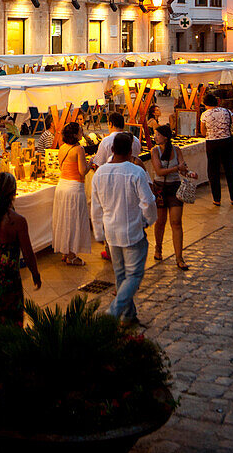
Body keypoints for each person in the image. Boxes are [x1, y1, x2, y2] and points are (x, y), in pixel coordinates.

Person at [91, 131, 157, 326]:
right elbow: (148, 202)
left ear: (112, 150)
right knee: (134, 275)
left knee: (121, 275)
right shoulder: (135, 172)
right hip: (132, 231)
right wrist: (148, 221)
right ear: (130, 152)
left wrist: (100, 233)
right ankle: (114, 311)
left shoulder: (100, 173)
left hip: (111, 232)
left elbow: (95, 207)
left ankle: (128, 315)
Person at [0, 172, 40, 326]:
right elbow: (28, 253)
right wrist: (35, 273)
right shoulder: (17, 221)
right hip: (8, 276)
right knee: (11, 319)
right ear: (13, 192)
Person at [150, 124, 192, 269]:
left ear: (165, 137)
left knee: (176, 222)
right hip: (160, 188)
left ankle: (179, 257)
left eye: (157, 134)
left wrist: (188, 173)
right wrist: (177, 168)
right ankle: (158, 248)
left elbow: (183, 168)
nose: (155, 137)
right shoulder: (154, 151)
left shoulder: (177, 150)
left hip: (174, 187)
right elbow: (159, 171)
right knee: (160, 221)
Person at [51, 121, 91, 266]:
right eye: (81, 131)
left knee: (64, 220)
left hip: (62, 186)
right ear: (75, 135)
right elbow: (82, 171)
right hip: (74, 187)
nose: (82, 132)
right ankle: (72, 255)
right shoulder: (78, 149)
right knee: (73, 221)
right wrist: (90, 163)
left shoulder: (62, 148)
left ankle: (65, 251)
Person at [200, 92, 233, 207]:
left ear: (205, 104)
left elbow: (203, 132)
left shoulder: (204, 115)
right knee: (229, 170)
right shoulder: (227, 111)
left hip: (212, 143)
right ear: (216, 101)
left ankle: (216, 199)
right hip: (226, 141)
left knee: (213, 171)